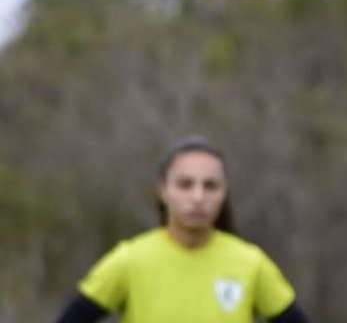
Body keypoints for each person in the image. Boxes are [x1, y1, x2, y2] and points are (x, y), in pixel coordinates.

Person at [54, 136, 311, 323]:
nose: (198, 197)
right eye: (185, 184)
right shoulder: (130, 260)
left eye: (210, 186)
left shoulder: (250, 263)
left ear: (224, 193)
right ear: (163, 190)